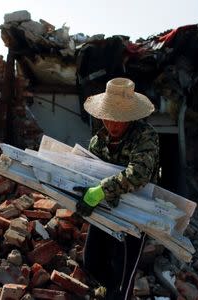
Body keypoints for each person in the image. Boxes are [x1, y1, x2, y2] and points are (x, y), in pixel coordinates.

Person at [76, 77, 160, 300]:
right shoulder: (98, 141)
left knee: (123, 277)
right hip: (105, 210)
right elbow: (88, 171)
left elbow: (139, 175)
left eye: (119, 120)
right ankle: (109, 289)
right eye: (108, 119)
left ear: (130, 117)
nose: (113, 126)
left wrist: (101, 190)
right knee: (92, 262)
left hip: (134, 214)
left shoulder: (145, 136)